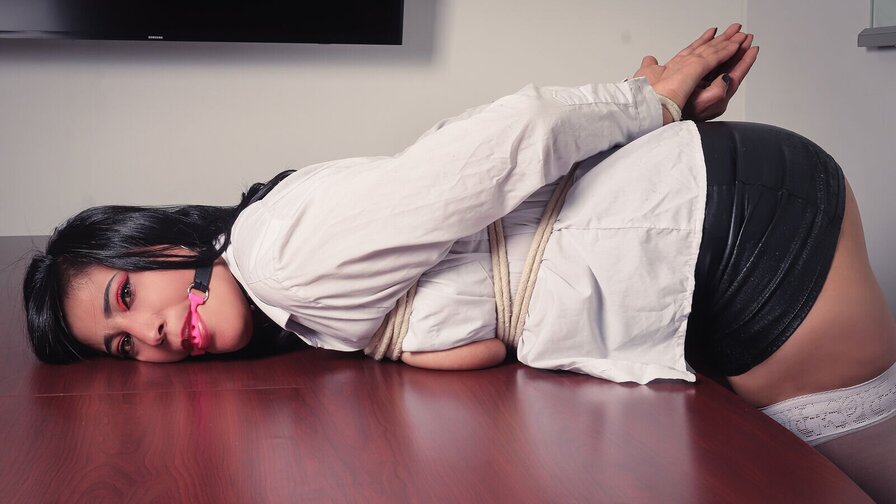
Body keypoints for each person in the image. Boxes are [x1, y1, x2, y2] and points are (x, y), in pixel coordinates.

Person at [22, 24, 896, 501]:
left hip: (729, 234)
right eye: (122, 345)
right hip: (699, 223)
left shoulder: (281, 260)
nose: (153, 334)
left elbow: (509, 141)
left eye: (128, 295)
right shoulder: (285, 279)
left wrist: (648, 105)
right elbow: (465, 220)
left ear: (162, 244)